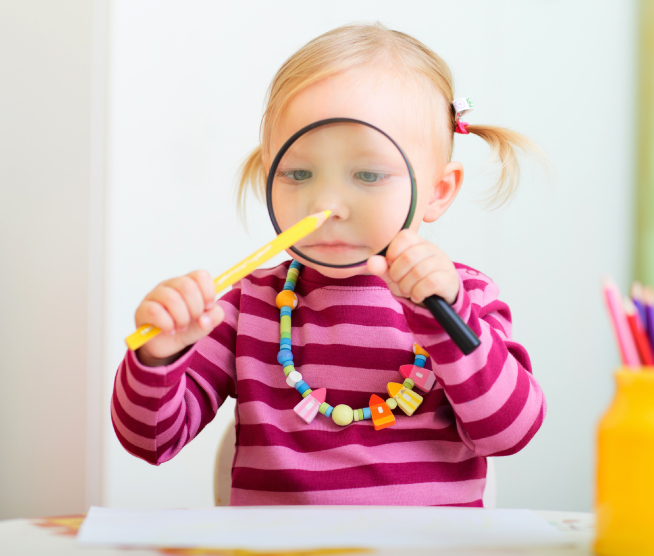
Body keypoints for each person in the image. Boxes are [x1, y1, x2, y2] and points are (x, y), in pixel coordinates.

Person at [111, 23, 546, 507]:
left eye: (368, 174)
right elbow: (149, 441)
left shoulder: (465, 296)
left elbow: (511, 433)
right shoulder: (247, 307)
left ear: (438, 191)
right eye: (298, 173)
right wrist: (159, 357)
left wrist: (450, 319)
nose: (328, 203)